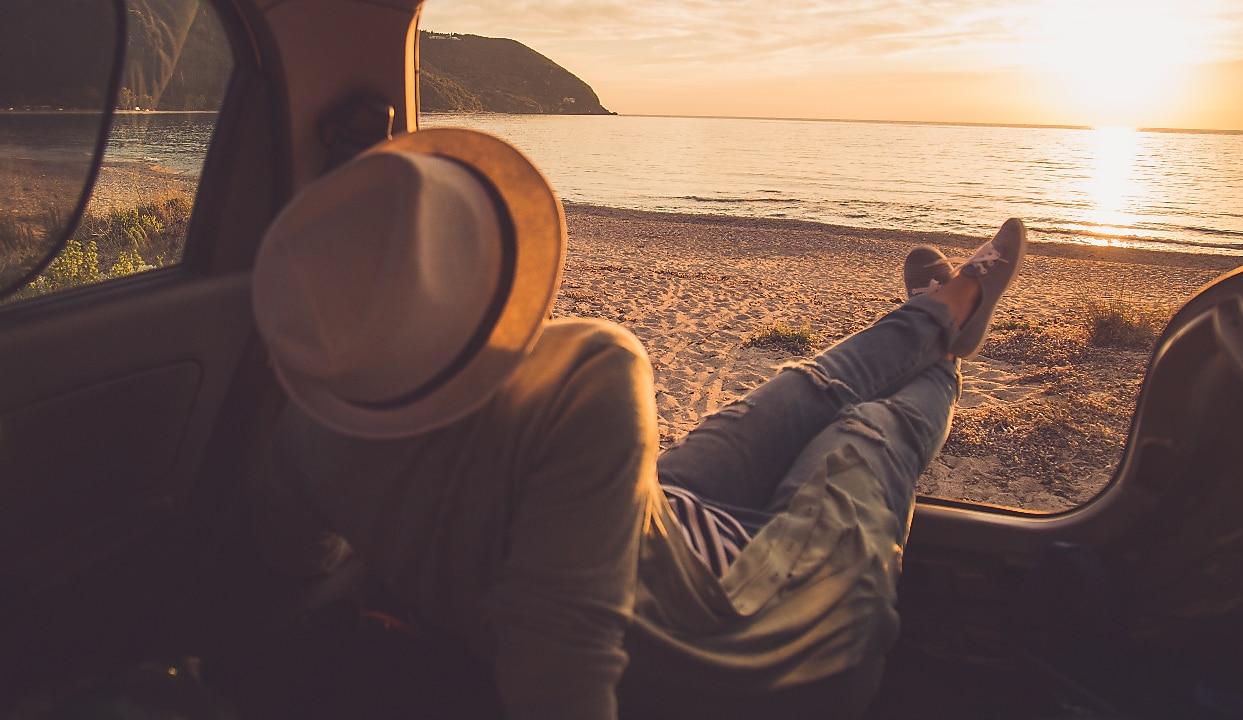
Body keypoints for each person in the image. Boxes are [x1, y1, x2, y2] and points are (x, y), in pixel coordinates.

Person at [250, 128, 1027, 720]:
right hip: (753, 637)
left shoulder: (303, 435)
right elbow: (561, 677)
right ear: (492, 264)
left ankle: (940, 308)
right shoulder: (586, 366)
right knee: (868, 431)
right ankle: (952, 336)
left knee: (802, 385)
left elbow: (294, 561)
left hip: (636, 528)